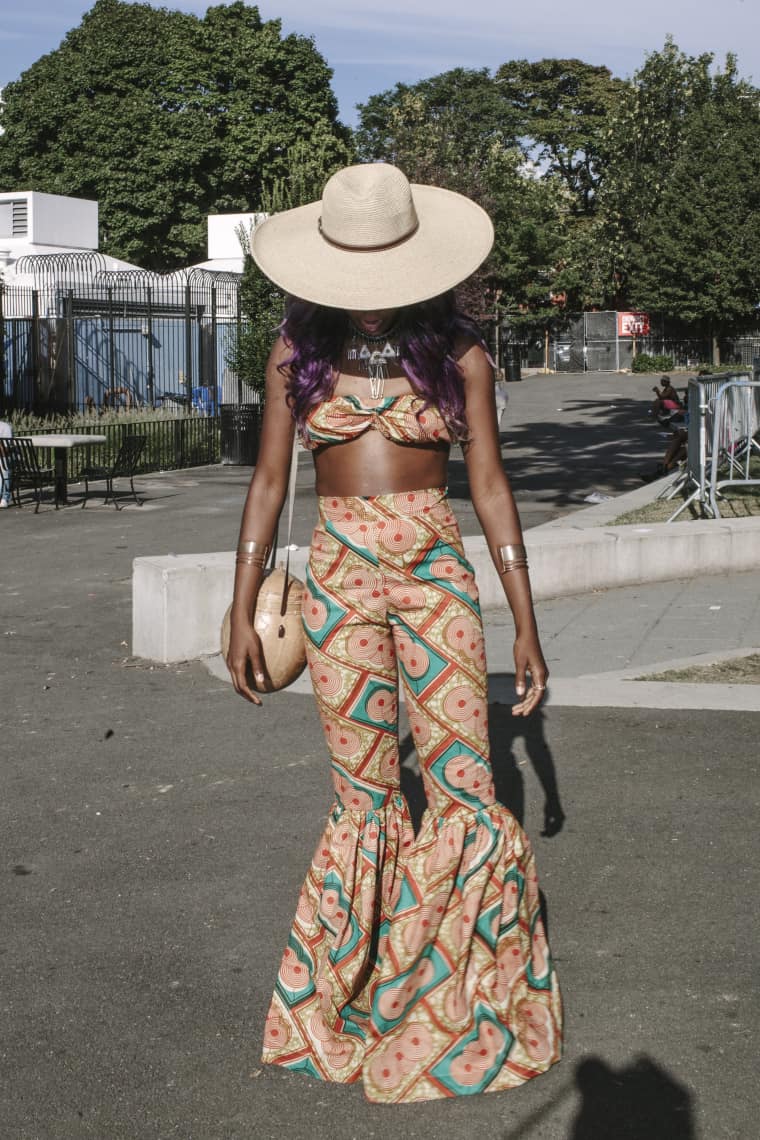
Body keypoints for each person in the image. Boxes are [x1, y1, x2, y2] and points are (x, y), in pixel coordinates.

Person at [225, 164, 562, 1103]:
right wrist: (240, 598)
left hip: (435, 575)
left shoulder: (461, 357)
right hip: (334, 583)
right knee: (365, 793)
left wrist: (524, 620)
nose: (370, 304)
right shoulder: (296, 355)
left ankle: (461, 992)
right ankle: (363, 983)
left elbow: (490, 486)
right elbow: (265, 483)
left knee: (464, 783)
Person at [0, 418, 13, 507]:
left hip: (6, 456)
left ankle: (5, 496)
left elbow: (5, 451)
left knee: (3, 463)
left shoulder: (5, 427)